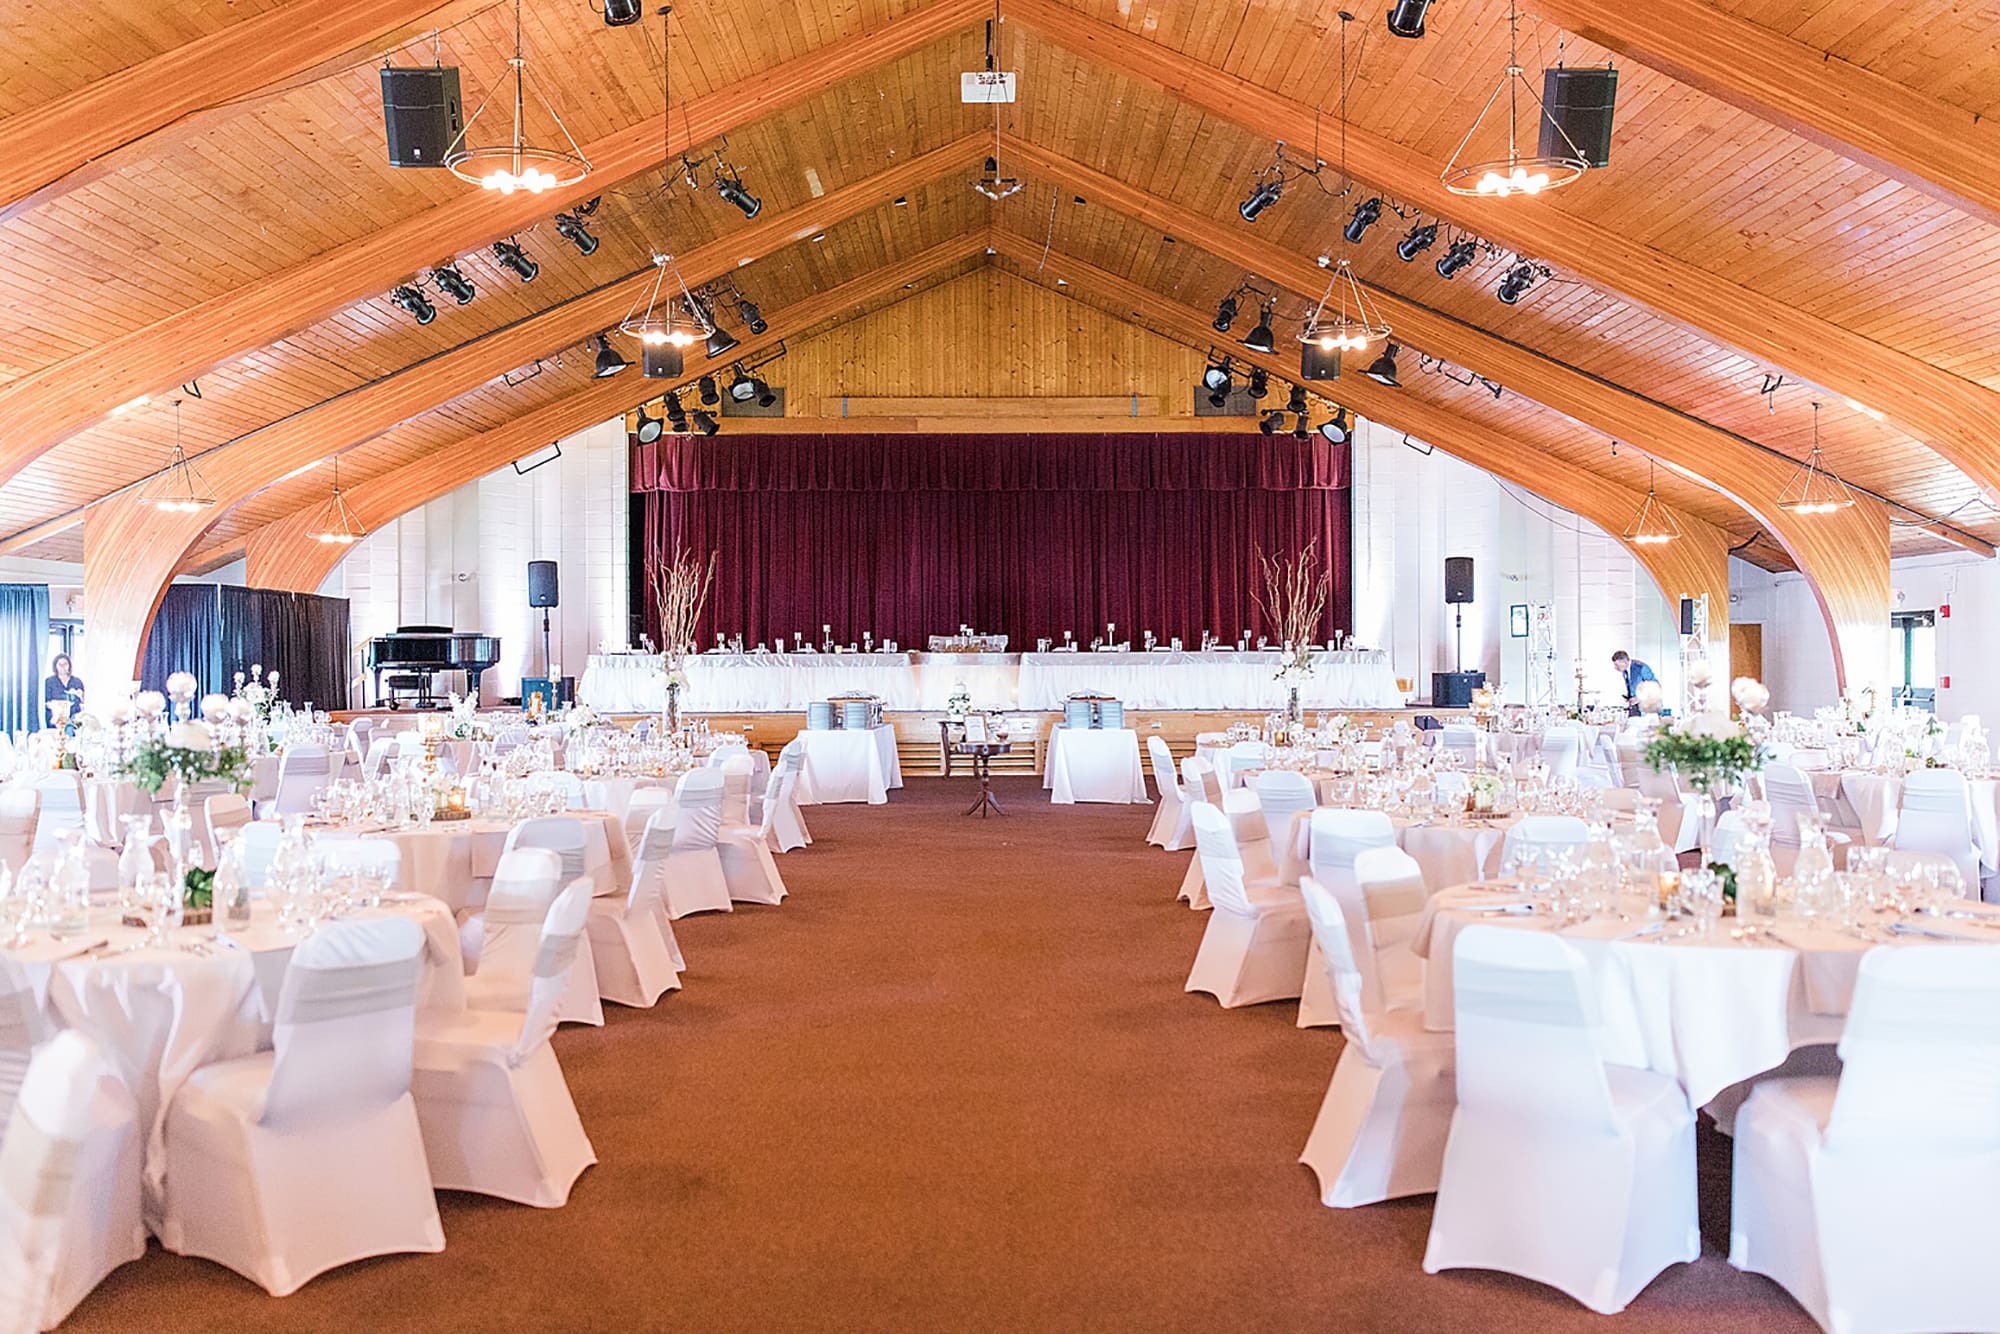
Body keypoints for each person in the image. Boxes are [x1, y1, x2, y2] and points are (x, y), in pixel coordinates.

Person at [1611, 650, 1656, 715]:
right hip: (1634, 707)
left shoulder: (1641, 668)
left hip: (1645, 708)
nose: (1615, 668)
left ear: (1625, 662)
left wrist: (1639, 698)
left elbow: (1654, 687)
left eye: (1617, 665)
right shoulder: (1625, 670)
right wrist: (1629, 697)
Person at [43, 652, 84, 717]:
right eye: (60, 664)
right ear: (55, 666)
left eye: (65, 664)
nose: (63, 667)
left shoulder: (77, 682)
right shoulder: (49, 682)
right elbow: (45, 702)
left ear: (69, 665)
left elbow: (82, 702)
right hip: (55, 719)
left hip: (74, 719)